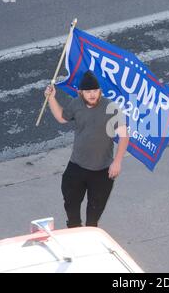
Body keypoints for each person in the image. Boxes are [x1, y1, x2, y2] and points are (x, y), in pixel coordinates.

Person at [45, 70, 129, 228]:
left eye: (95, 91)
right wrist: (51, 97)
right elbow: (62, 117)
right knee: (71, 205)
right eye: (88, 92)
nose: (92, 95)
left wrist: (117, 162)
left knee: (94, 215)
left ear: (100, 91)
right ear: (80, 92)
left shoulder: (111, 108)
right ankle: (74, 231)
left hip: (102, 171)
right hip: (77, 165)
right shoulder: (76, 104)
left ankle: (90, 237)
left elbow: (124, 136)